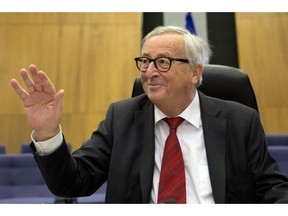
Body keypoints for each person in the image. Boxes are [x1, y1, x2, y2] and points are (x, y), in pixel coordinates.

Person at [10, 25, 288, 203]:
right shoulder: (122, 117)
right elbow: (72, 183)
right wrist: (47, 133)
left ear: (195, 72)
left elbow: (273, 190)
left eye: (163, 62)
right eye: (145, 61)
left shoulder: (241, 120)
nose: (149, 72)